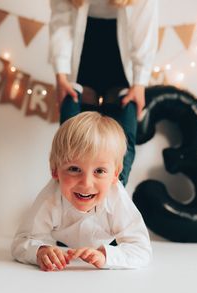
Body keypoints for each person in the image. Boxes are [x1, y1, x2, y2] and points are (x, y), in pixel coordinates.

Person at [11, 112, 152, 270]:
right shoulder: (50, 198)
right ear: (55, 171)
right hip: (66, 238)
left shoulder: (116, 198)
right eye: (74, 169)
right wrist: (40, 251)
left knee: (126, 148)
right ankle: (71, 95)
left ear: (115, 175)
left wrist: (107, 256)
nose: (86, 183)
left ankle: (129, 107)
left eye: (99, 170)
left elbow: (141, 249)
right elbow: (21, 241)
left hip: (107, 207)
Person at [49, 0, 158, 185]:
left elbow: (145, 30)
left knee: (123, 138)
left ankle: (117, 192)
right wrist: (61, 76)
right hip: (83, 49)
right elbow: (61, 23)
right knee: (72, 138)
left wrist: (140, 82)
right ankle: (69, 195)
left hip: (120, 57)